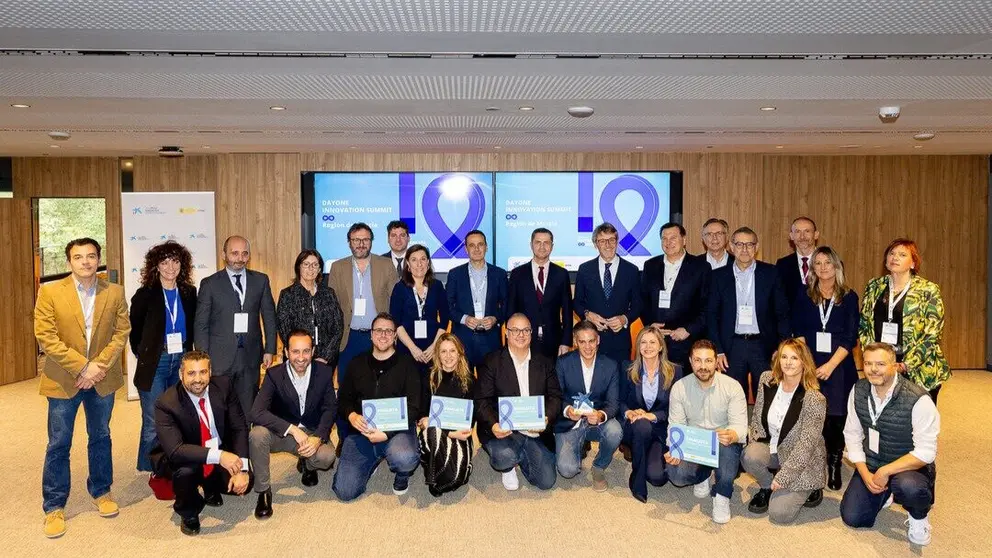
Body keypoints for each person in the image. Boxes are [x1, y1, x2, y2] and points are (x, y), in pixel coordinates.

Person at [34, 238, 131, 538]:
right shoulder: (49, 291)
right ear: (69, 262)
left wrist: (97, 367)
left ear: (98, 259)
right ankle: (53, 506)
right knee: (59, 443)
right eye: (79, 257)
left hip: (101, 379)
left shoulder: (114, 291)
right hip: (64, 379)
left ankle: (102, 491)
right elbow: (45, 336)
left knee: (100, 436)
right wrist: (82, 366)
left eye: (91, 256)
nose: (86, 262)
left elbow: (121, 332)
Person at [840, 343, 940, 547]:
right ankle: (885, 492)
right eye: (868, 363)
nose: (873, 369)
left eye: (880, 364)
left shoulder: (918, 399)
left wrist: (886, 471)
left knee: (910, 488)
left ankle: (919, 517)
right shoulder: (858, 390)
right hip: (873, 462)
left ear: (895, 366)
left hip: (910, 467)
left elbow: (926, 452)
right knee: (853, 517)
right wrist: (865, 473)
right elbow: (852, 434)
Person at [151, 351, 253, 536]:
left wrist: (243, 469)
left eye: (203, 372)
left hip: (219, 448)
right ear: (181, 374)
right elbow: (176, 450)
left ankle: (211, 485)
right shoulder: (166, 403)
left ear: (210, 372)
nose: (198, 379)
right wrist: (221, 456)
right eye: (191, 373)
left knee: (246, 483)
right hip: (186, 456)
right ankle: (189, 512)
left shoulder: (223, 386)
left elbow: (239, 427)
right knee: (185, 473)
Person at [128, 240, 197, 500]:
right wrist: (147, 356)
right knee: (153, 419)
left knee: (175, 417)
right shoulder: (144, 294)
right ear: (156, 266)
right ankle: (151, 468)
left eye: (176, 261)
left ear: (183, 265)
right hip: (155, 364)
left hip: (181, 362)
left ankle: (170, 462)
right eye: (165, 261)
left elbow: (192, 326)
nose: (170, 267)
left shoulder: (189, 293)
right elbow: (135, 335)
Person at [332, 313, 422, 501]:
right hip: (361, 433)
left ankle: (401, 476)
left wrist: (387, 433)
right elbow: (343, 400)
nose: (383, 335)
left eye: (389, 331)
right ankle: (372, 461)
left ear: (395, 336)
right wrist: (351, 416)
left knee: (405, 458)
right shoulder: (356, 363)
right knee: (345, 492)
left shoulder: (407, 364)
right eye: (379, 331)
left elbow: (415, 406)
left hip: (398, 432)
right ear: (371, 335)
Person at [790, 246, 859, 490]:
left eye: (827, 262)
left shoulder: (849, 297)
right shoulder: (804, 294)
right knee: (809, 415)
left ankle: (834, 462)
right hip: (810, 362)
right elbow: (797, 332)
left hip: (838, 365)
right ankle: (811, 461)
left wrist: (830, 365)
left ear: (836, 266)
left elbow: (850, 338)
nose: (822, 267)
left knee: (836, 418)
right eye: (817, 263)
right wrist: (808, 365)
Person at [249, 330, 336, 518]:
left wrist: (318, 437)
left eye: (306, 351)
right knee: (257, 435)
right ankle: (263, 491)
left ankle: (307, 465)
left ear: (313, 351)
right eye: (295, 352)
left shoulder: (324, 372)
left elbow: (330, 409)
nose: (301, 357)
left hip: (312, 432)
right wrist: (292, 429)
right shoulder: (274, 374)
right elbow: (256, 412)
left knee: (327, 457)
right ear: (286, 352)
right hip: (284, 434)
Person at [742, 339, 827, 524]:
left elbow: (806, 446)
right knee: (749, 455)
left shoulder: (814, 398)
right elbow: (757, 417)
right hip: (774, 448)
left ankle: (812, 487)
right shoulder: (767, 379)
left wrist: (785, 476)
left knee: (779, 514)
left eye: (794, 358)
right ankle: (766, 486)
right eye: (784, 357)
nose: (788, 362)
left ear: (804, 362)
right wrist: (754, 443)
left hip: (802, 460)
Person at [476, 313, 563, 491]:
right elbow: (482, 400)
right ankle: (509, 465)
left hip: (534, 431)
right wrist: (493, 425)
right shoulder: (491, 361)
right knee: (504, 458)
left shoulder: (545, 362)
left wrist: (546, 418)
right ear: (506, 333)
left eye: (525, 330)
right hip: (503, 429)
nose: (521, 335)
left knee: (547, 482)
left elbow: (555, 397)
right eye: (515, 330)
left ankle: (521, 454)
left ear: (531, 333)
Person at [665, 340, 747, 524]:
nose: (703, 366)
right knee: (675, 474)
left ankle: (722, 495)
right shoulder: (680, 387)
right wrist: (674, 448)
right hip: (695, 446)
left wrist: (732, 434)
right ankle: (703, 474)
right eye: (698, 360)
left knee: (727, 445)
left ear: (716, 362)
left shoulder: (732, 386)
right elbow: (675, 425)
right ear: (690, 361)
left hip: (723, 444)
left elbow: (741, 427)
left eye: (708, 361)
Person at [193, 235, 276, 416]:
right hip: (218, 358)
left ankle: (244, 443)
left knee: (248, 409)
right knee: (220, 409)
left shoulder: (261, 280)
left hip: (250, 357)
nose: (240, 258)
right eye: (234, 253)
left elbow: (269, 316)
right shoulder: (209, 284)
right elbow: (201, 324)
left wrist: (270, 349)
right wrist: (203, 358)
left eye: (244, 254)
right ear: (224, 255)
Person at [328, 223, 397, 439]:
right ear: (349, 242)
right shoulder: (337, 267)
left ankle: (379, 430)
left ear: (371, 241)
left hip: (378, 338)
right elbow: (333, 305)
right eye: (356, 240)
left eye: (365, 239)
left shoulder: (385, 265)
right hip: (349, 337)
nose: (361, 244)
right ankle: (345, 435)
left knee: (379, 385)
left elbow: (395, 301)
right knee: (347, 387)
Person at [859, 238, 950, 402]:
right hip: (882, 366)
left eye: (902, 255)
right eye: (892, 253)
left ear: (913, 263)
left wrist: (905, 364)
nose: (895, 257)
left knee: (918, 422)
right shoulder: (874, 286)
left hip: (918, 368)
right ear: (886, 261)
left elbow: (933, 334)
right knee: (885, 419)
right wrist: (874, 358)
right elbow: (864, 325)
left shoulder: (928, 290)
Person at [707, 226, 790, 400]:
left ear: (756, 247)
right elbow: (711, 316)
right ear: (731, 246)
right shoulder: (718, 276)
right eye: (739, 244)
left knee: (769, 395)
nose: (744, 249)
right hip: (732, 347)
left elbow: (782, 313)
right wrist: (718, 350)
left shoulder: (771, 273)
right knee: (732, 398)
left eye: (749, 245)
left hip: (763, 346)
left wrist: (780, 346)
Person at [553, 320, 622, 491]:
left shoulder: (611, 365)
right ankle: (578, 446)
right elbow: (555, 396)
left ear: (598, 340)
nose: (588, 347)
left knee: (615, 431)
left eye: (591, 341)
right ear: (575, 342)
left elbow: (613, 403)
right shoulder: (562, 363)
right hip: (571, 421)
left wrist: (600, 415)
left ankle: (599, 466)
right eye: (582, 342)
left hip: (597, 420)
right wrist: (568, 410)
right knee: (567, 470)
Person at [618, 325, 682, 502]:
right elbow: (620, 401)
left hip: (660, 430)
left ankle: (642, 454)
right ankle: (637, 482)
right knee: (641, 424)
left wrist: (653, 415)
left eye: (653, 342)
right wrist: (629, 412)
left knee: (657, 478)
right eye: (643, 342)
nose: (648, 346)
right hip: (634, 427)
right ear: (638, 347)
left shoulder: (675, 372)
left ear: (661, 346)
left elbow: (676, 408)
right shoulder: (628, 369)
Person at [640, 222, 710, 369]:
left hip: (686, 341)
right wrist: (651, 325)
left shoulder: (700, 267)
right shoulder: (650, 265)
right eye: (664, 238)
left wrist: (688, 330)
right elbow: (643, 301)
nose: (668, 242)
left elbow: (707, 306)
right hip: (656, 340)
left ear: (684, 240)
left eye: (673, 238)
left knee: (683, 388)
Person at [574, 222, 642, 363]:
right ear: (595, 244)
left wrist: (624, 319)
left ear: (617, 242)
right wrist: (587, 315)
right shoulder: (585, 270)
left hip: (620, 344)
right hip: (591, 343)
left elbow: (638, 305)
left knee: (619, 384)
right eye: (602, 241)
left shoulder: (631, 270)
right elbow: (577, 302)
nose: (608, 245)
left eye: (612, 240)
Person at [417, 333, 476, 496]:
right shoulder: (429, 378)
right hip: (433, 435)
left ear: (459, 353)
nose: (448, 356)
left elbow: (471, 420)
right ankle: (433, 473)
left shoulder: (469, 381)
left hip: (461, 434)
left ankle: (440, 471)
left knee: (457, 478)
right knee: (432, 432)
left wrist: (455, 433)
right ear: (438, 354)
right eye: (443, 351)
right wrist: (443, 430)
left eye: (452, 351)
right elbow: (422, 416)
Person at [507, 228, 573, 360]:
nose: (542, 246)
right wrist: (511, 340)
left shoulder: (562, 274)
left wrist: (566, 342)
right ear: (531, 245)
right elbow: (511, 310)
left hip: (553, 341)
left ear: (552, 246)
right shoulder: (517, 274)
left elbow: (567, 311)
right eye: (538, 242)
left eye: (546, 243)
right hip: (523, 339)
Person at [446, 230, 508, 369]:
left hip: (490, 341)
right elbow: (448, 306)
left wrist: (495, 319)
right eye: (472, 245)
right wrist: (464, 319)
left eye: (480, 244)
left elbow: (506, 305)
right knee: (463, 387)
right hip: (463, 340)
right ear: (466, 249)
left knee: (489, 387)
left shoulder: (499, 274)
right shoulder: (455, 274)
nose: (476, 249)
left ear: (486, 247)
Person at [276, 249, 344, 370]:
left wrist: (325, 356)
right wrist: (303, 355)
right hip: (298, 360)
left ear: (319, 270)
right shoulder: (288, 294)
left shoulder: (329, 293)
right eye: (306, 264)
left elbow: (338, 327)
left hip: (326, 361)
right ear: (299, 268)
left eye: (315, 265)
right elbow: (284, 329)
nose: (310, 268)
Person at [390, 244, 451, 374]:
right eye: (414, 260)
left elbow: (445, 319)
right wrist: (413, 349)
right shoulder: (400, 288)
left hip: (432, 349)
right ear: (408, 264)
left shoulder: (437, 286)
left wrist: (434, 346)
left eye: (423, 259)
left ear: (428, 263)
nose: (419, 264)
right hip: (407, 349)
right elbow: (396, 322)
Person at [775, 217, 821, 305]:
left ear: (816, 235)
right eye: (798, 232)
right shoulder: (782, 265)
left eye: (807, 231)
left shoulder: (831, 263)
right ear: (791, 236)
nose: (802, 236)